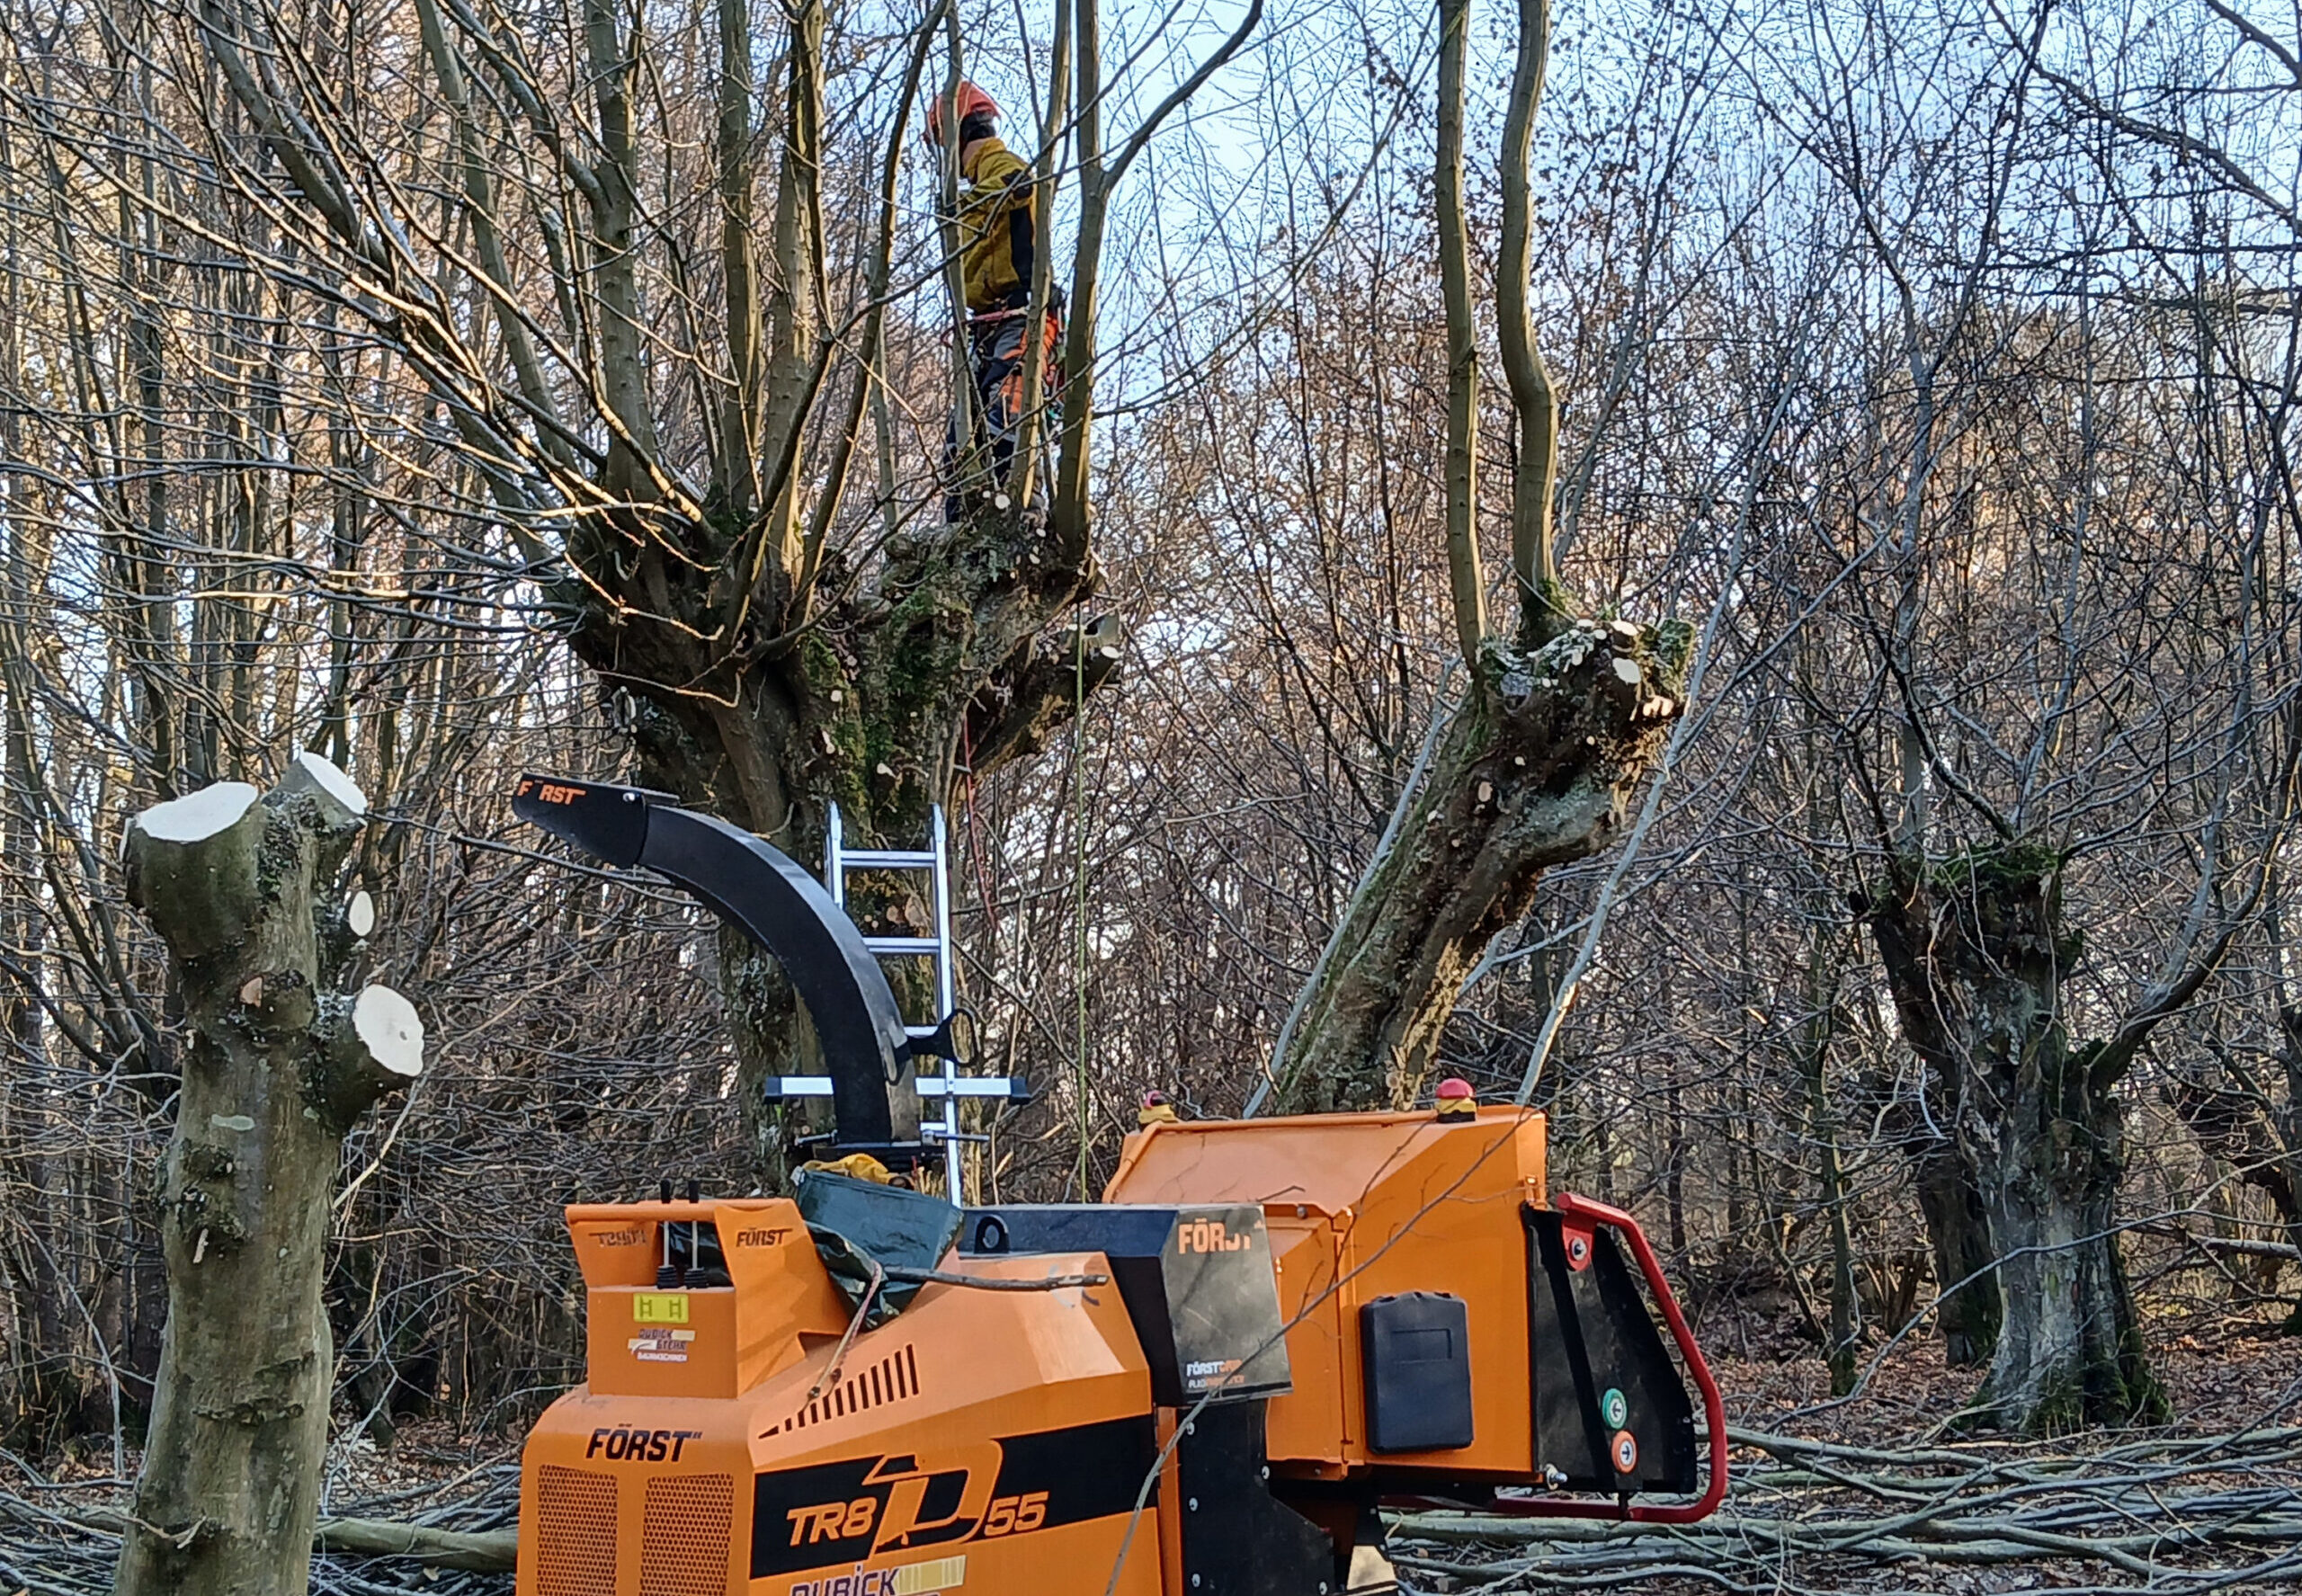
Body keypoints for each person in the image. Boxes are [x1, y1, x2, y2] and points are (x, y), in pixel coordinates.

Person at [926, 81, 1061, 522]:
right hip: (988, 322)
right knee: (962, 440)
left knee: (1008, 411)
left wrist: (963, 207)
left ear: (958, 135)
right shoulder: (976, 183)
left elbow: (1020, 184)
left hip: (1022, 313)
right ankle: (963, 529)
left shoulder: (995, 163)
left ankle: (1027, 517)